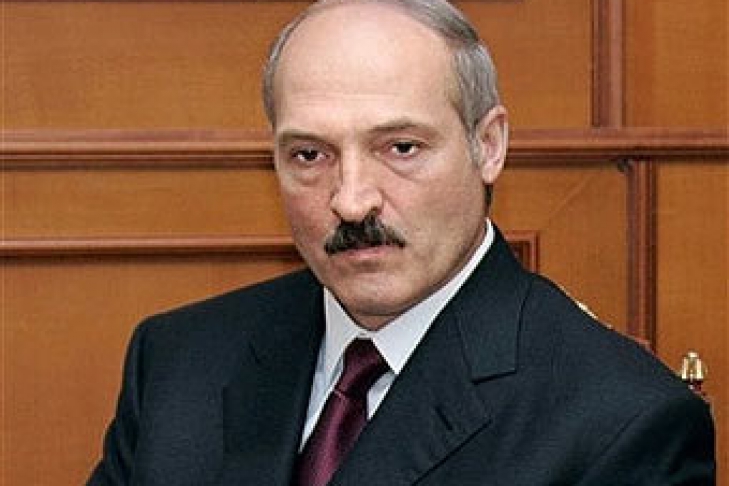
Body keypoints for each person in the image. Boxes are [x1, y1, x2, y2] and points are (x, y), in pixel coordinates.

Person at [88, 0, 715, 484]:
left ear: (488, 146)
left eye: (401, 148)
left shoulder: (621, 421)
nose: (351, 200)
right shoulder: (179, 360)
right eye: (310, 155)